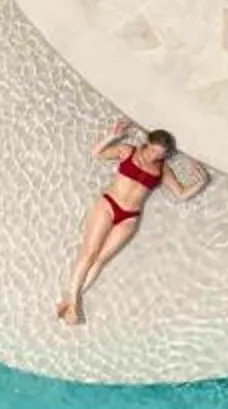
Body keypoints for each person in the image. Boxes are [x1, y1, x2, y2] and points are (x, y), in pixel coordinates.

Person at [55, 117, 207, 325]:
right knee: (89, 253)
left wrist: (200, 182)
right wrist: (112, 136)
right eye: (153, 151)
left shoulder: (162, 170)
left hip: (130, 217)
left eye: (160, 155)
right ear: (147, 143)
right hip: (109, 205)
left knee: (100, 260)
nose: (155, 156)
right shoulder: (128, 151)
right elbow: (97, 153)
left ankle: (69, 300)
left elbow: (181, 194)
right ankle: (73, 303)